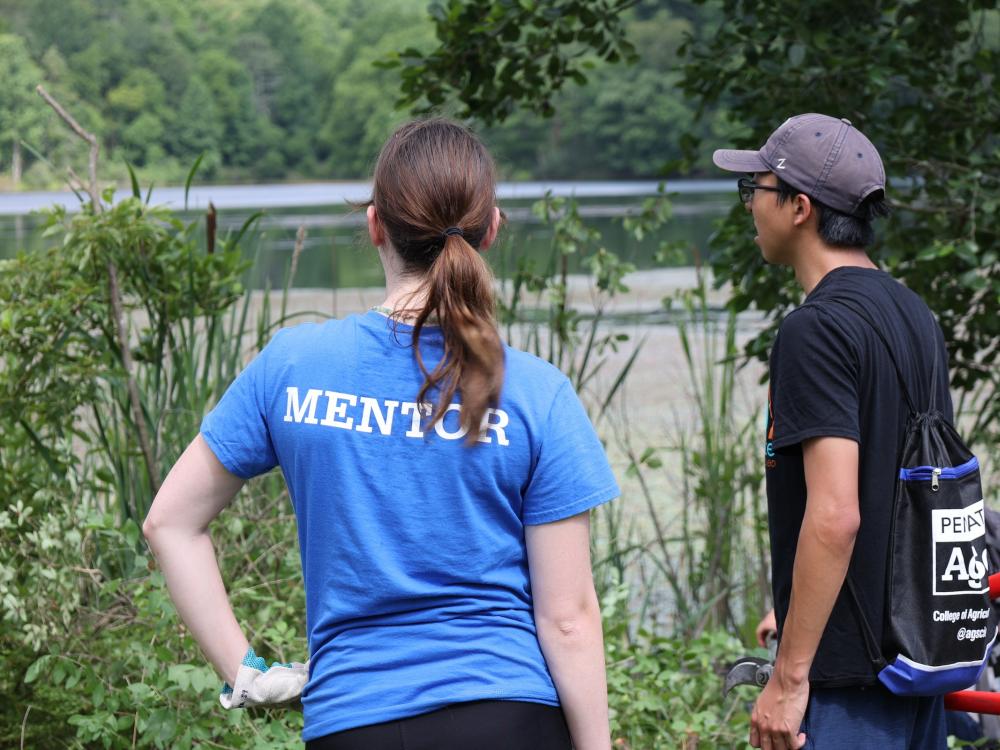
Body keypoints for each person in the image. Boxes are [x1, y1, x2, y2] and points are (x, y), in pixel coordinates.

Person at [143, 118, 619, 750]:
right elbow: (567, 619)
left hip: (354, 722)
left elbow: (169, 524)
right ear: (492, 229)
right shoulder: (538, 392)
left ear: (375, 226)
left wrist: (249, 673)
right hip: (508, 715)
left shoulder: (292, 366)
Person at [713, 113, 952, 749]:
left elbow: (837, 514)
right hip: (913, 658)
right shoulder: (913, 313)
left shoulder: (814, 330)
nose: (749, 208)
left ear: (799, 207)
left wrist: (790, 677)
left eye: (753, 190)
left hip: (848, 682)